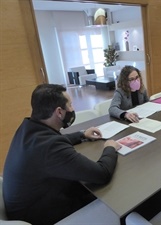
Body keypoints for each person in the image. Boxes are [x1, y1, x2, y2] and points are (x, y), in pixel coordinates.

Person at [3, 84, 121, 225]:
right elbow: (102, 174)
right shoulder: (50, 147)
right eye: (70, 105)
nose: (72, 109)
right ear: (59, 112)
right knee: (112, 194)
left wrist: (81, 134)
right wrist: (110, 148)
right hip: (44, 217)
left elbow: (53, 141)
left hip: (27, 206)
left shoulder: (28, 128)